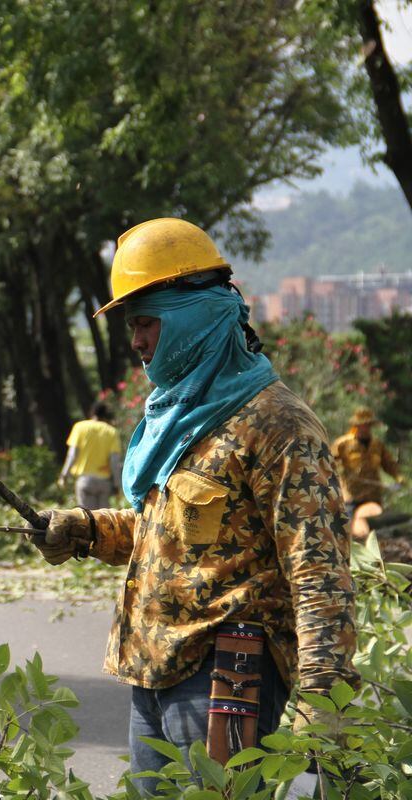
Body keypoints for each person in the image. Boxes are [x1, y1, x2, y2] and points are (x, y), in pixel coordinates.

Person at [29, 218, 357, 792]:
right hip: (151, 675)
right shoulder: (181, 419)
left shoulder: (277, 426)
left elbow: (319, 571)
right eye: (133, 326)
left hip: (228, 678)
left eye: (146, 323)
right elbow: (171, 530)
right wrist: (83, 531)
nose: (136, 342)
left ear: (194, 321)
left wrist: (325, 690)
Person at [332, 406, 401, 522]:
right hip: (351, 496)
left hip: (373, 496)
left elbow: (389, 464)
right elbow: (329, 462)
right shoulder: (342, 444)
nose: (365, 428)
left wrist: (398, 477)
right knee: (349, 527)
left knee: (375, 529)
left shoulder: (377, 445)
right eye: (362, 425)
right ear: (356, 425)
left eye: (368, 425)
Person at [58, 401, 122, 509]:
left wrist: (64, 475)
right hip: (104, 483)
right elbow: (114, 461)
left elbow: (72, 454)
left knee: (87, 520)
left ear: (92, 412)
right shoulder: (111, 432)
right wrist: (117, 485)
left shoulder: (80, 427)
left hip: (85, 481)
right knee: (103, 520)